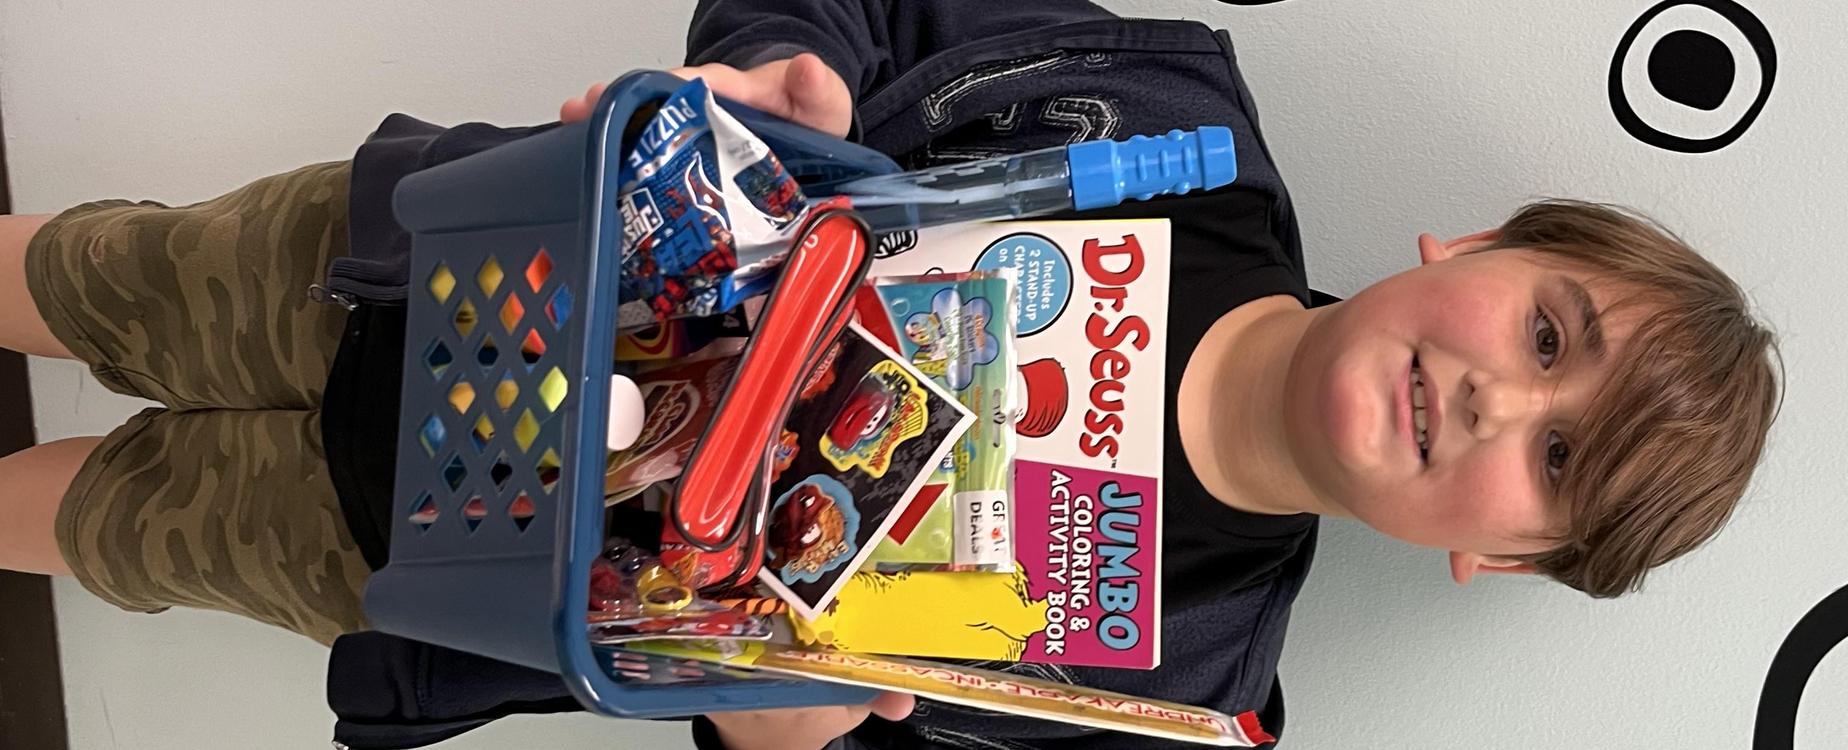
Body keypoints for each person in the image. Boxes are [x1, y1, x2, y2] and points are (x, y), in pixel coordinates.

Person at [0, 1, 1779, 748]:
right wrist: (788, 63)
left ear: (1498, 557)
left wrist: (773, 731)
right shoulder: (1171, 119)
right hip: (448, 249)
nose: (1491, 401)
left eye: (1553, 466)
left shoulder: (1187, 690)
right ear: (1468, 254)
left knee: (112, 528)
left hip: (431, 550)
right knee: (99, 275)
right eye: (1548, 336)